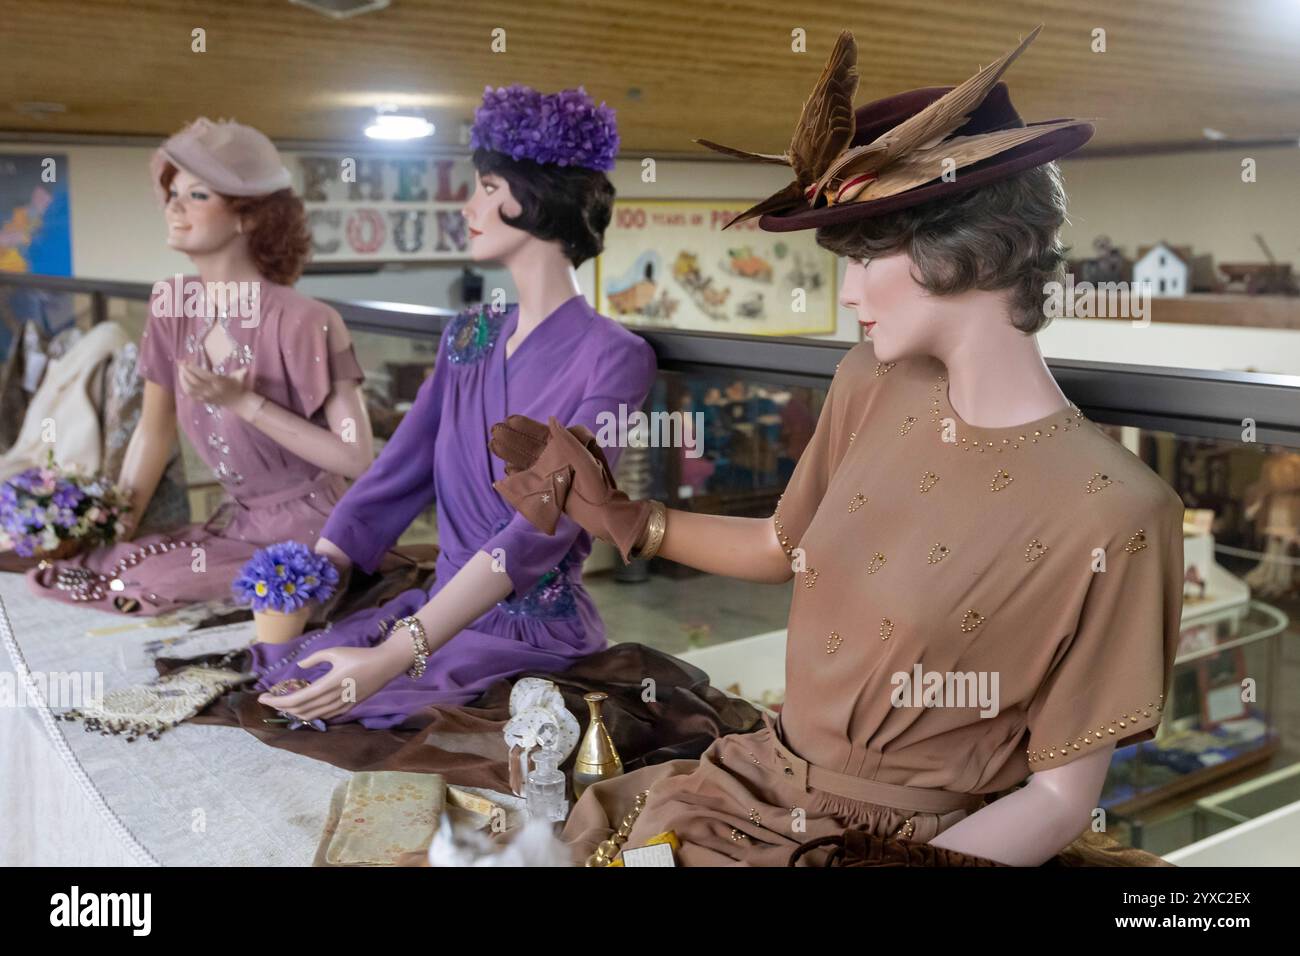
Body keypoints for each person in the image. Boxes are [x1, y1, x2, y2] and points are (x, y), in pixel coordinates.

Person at [489, 29, 1186, 866]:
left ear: (966, 249)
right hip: (753, 785)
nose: (847, 290)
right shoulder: (872, 381)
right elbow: (783, 547)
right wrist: (625, 516)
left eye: (868, 254)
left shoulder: (1120, 513)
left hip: (904, 845)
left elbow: (1060, 798)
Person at [252, 85, 658, 728]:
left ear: (532, 196)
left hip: (525, 640)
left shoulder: (617, 356)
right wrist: (305, 572)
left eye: (486, 187)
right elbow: (398, 474)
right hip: (435, 610)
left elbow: (540, 526)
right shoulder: (468, 334)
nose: (467, 206)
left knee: (357, 715)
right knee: (286, 679)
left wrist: (395, 654)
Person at [28, 117, 371, 615]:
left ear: (249, 217)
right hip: (237, 522)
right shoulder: (172, 304)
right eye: (172, 194)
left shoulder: (309, 320)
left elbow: (356, 459)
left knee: (148, 583)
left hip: (312, 533)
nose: (174, 207)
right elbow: (153, 430)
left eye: (198, 195)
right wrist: (112, 528)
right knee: (107, 567)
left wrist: (244, 402)